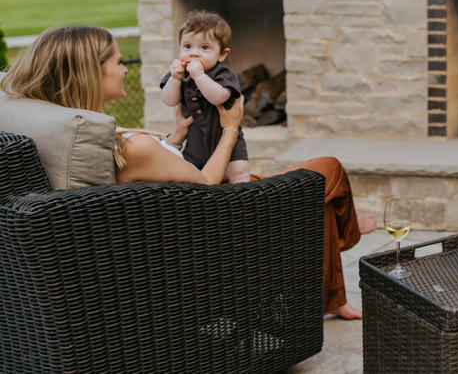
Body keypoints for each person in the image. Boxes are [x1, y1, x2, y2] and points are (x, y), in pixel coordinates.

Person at [0, 25, 376, 320]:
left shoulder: (86, 134)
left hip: (184, 212)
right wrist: (231, 127)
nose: (124, 69)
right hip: (222, 219)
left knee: (319, 203)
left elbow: (149, 175)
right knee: (328, 172)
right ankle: (348, 234)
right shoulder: (134, 149)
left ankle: (338, 266)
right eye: (116, 62)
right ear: (91, 73)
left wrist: (174, 138)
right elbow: (208, 185)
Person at [160, 10, 249, 184]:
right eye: (187, 47)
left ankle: (243, 206)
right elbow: (169, 100)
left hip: (228, 144)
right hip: (195, 145)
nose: (194, 53)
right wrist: (175, 79)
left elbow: (220, 97)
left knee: (239, 173)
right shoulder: (180, 74)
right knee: (191, 181)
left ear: (222, 54)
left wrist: (200, 77)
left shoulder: (222, 73)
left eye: (205, 48)